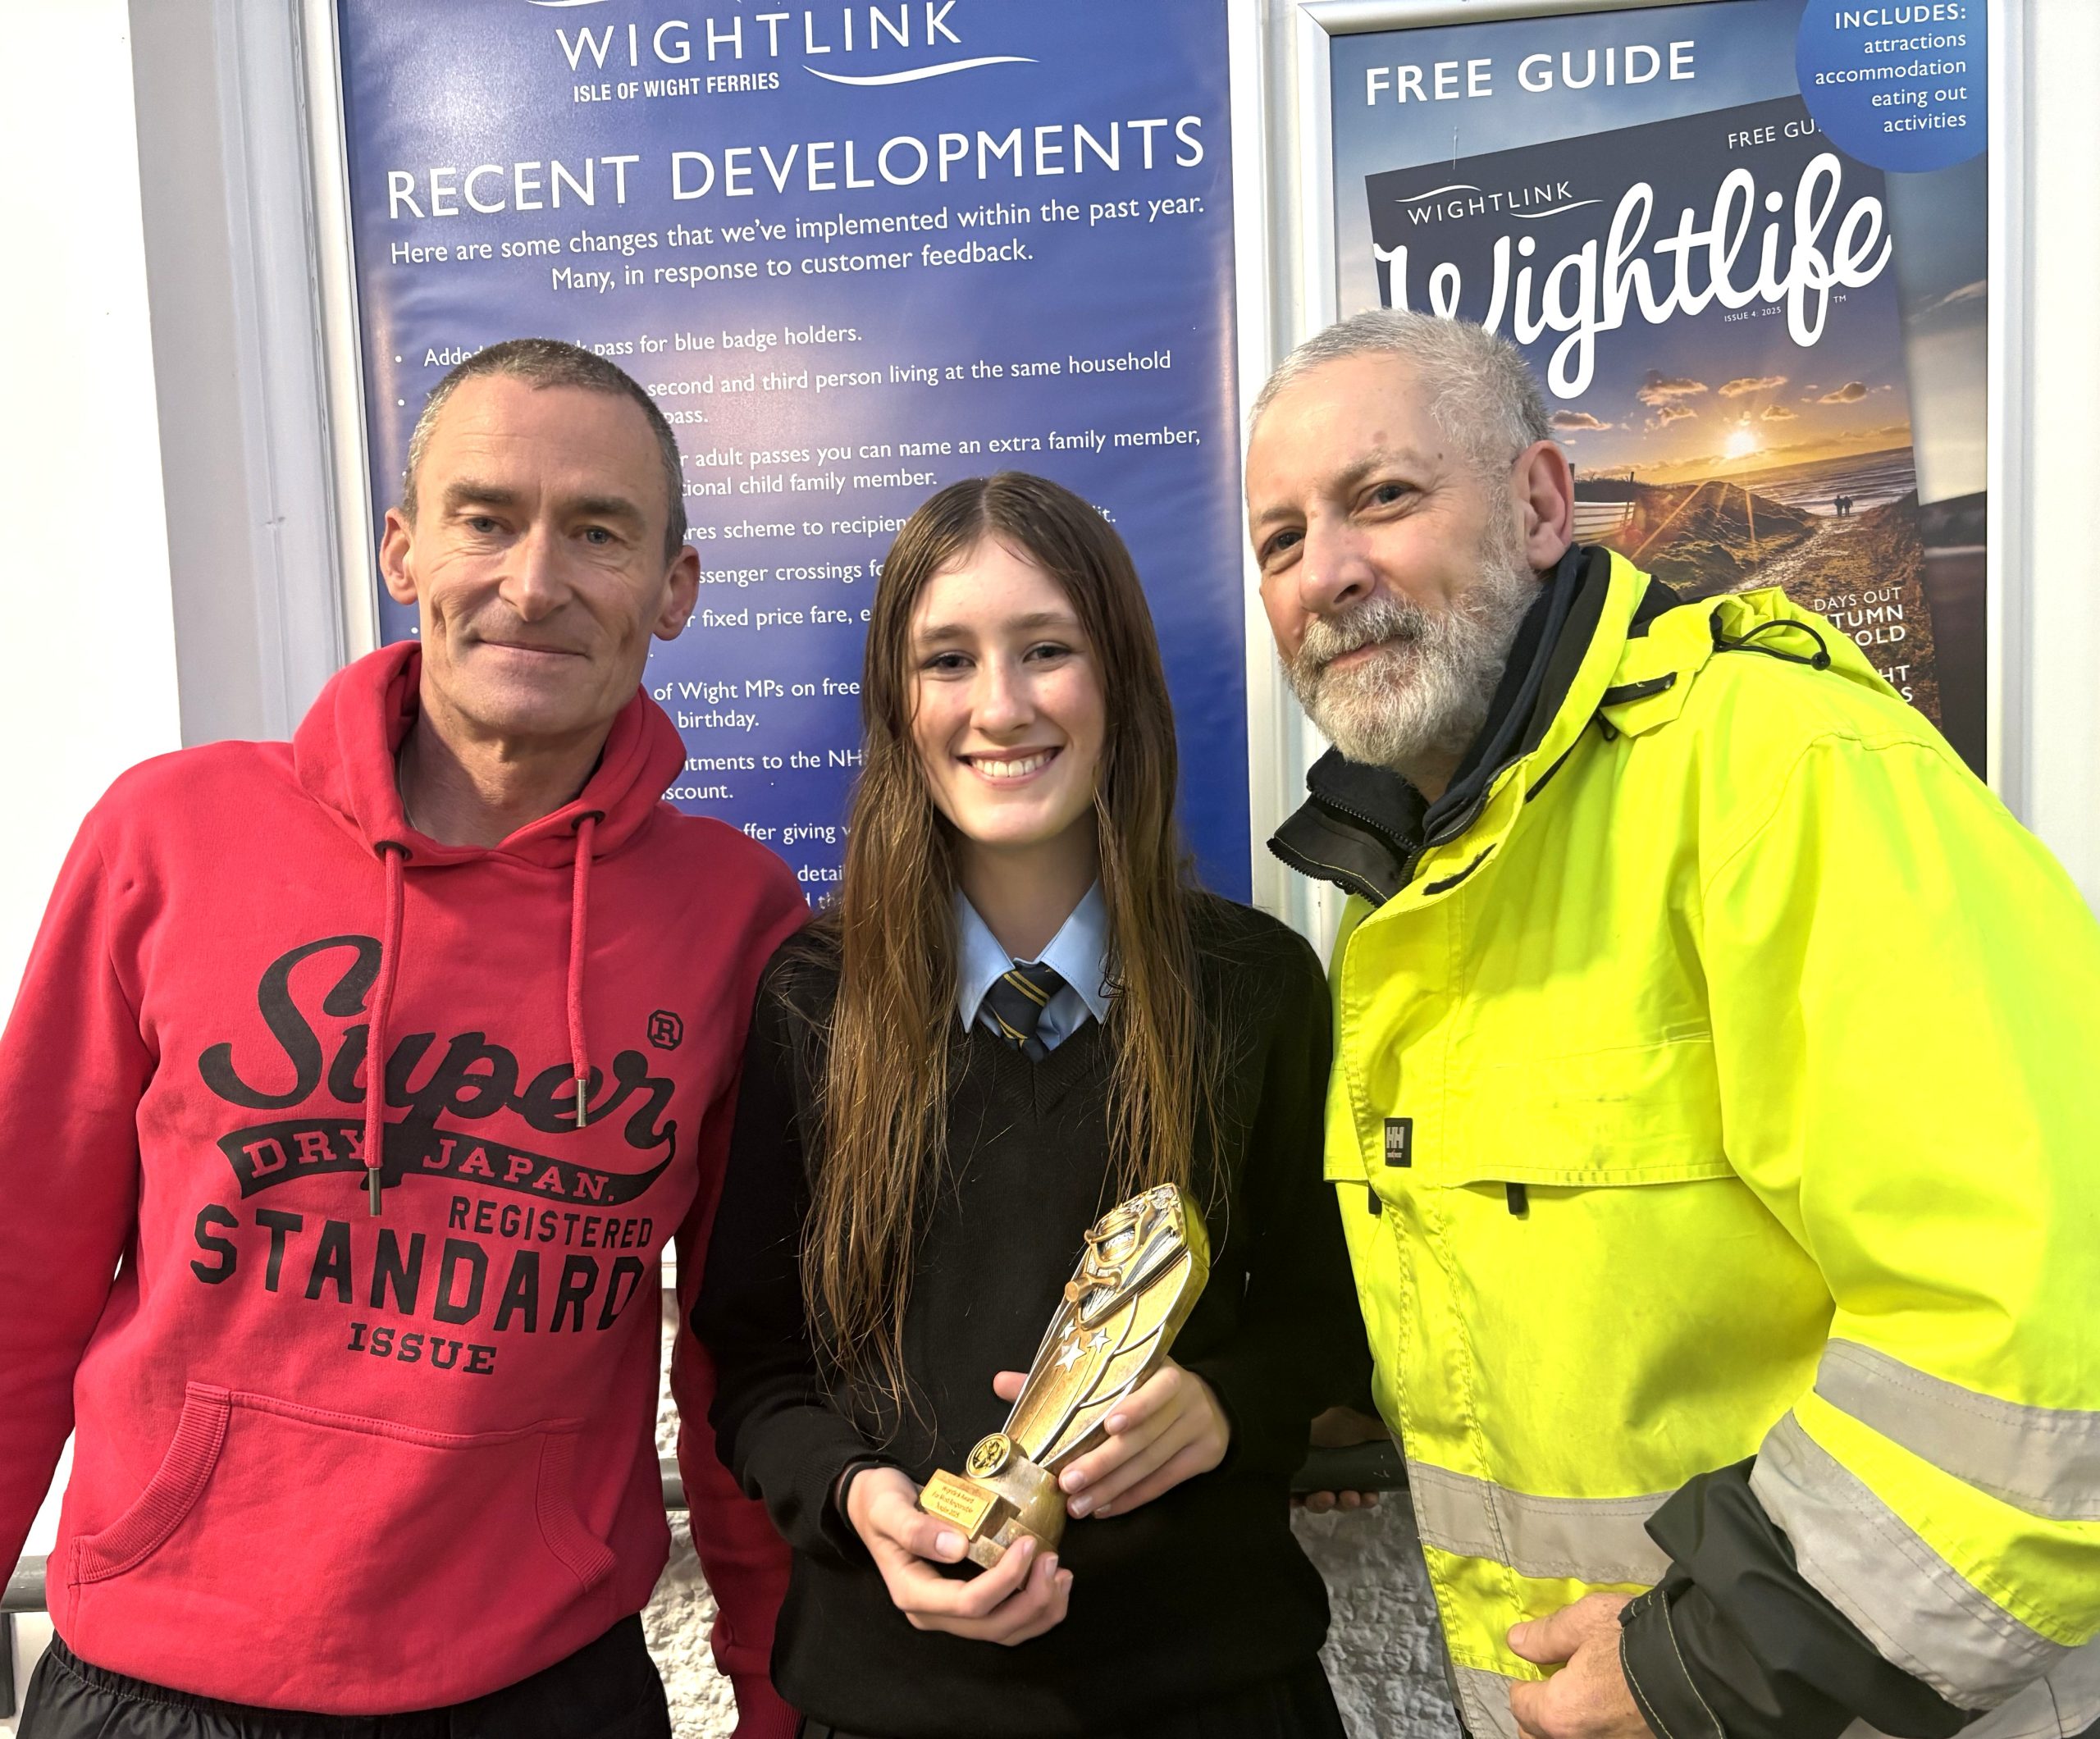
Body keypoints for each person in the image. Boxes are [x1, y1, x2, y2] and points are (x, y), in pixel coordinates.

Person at [1244, 309, 2100, 1739]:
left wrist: (1710, 1664)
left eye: (1381, 497)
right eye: (1280, 539)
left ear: (1539, 504)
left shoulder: (1785, 775)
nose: (1326, 573)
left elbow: (2042, 1345)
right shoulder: (1399, 882)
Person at [0, 339, 806, 1738]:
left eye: (598, 533)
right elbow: (20, 1278)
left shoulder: (733, 912)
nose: (534, 582)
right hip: (160, 1685)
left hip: (543, 1689)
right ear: (403, 551)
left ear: (674, 589)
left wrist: (775, 1693)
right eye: (486, 519)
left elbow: (737, 1351)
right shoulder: (172, 838)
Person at [694, 472, 1371, 1739]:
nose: (999, 707)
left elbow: (1330, 1324)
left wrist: (1229, 1408)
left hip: (1214, 1697)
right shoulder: (812, 999)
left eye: (1046, 649)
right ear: (899, 706)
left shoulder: (1254, 989)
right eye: (948, 659)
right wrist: (854, 1502)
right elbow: (756, 1370)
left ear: (1117, 680)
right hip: (890, 1702)